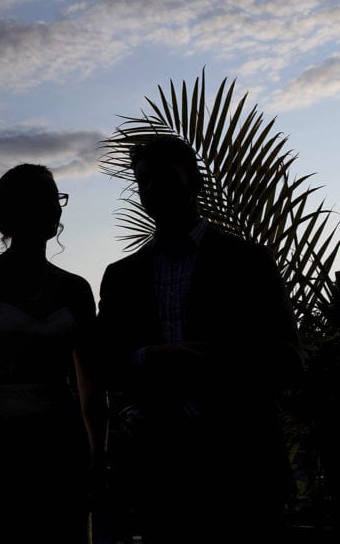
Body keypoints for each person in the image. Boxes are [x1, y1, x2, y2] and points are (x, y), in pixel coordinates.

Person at [96, 135, 304, 544]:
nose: (153, 187)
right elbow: (104, 363)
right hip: (160, 476)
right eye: (144, 181)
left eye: (165, 176)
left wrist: (212, 366)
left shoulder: (249, 262)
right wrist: (147, 358)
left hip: (241, 470)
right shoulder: (122, 276)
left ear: (196, 182)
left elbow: (288, 361)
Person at [0, 163, 99, 543]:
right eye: (47, 200)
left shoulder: (76, 289)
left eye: (57, 200)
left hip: (62, 448)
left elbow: (92, 383)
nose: (56, 209)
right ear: (15, 211)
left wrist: (99, 456)